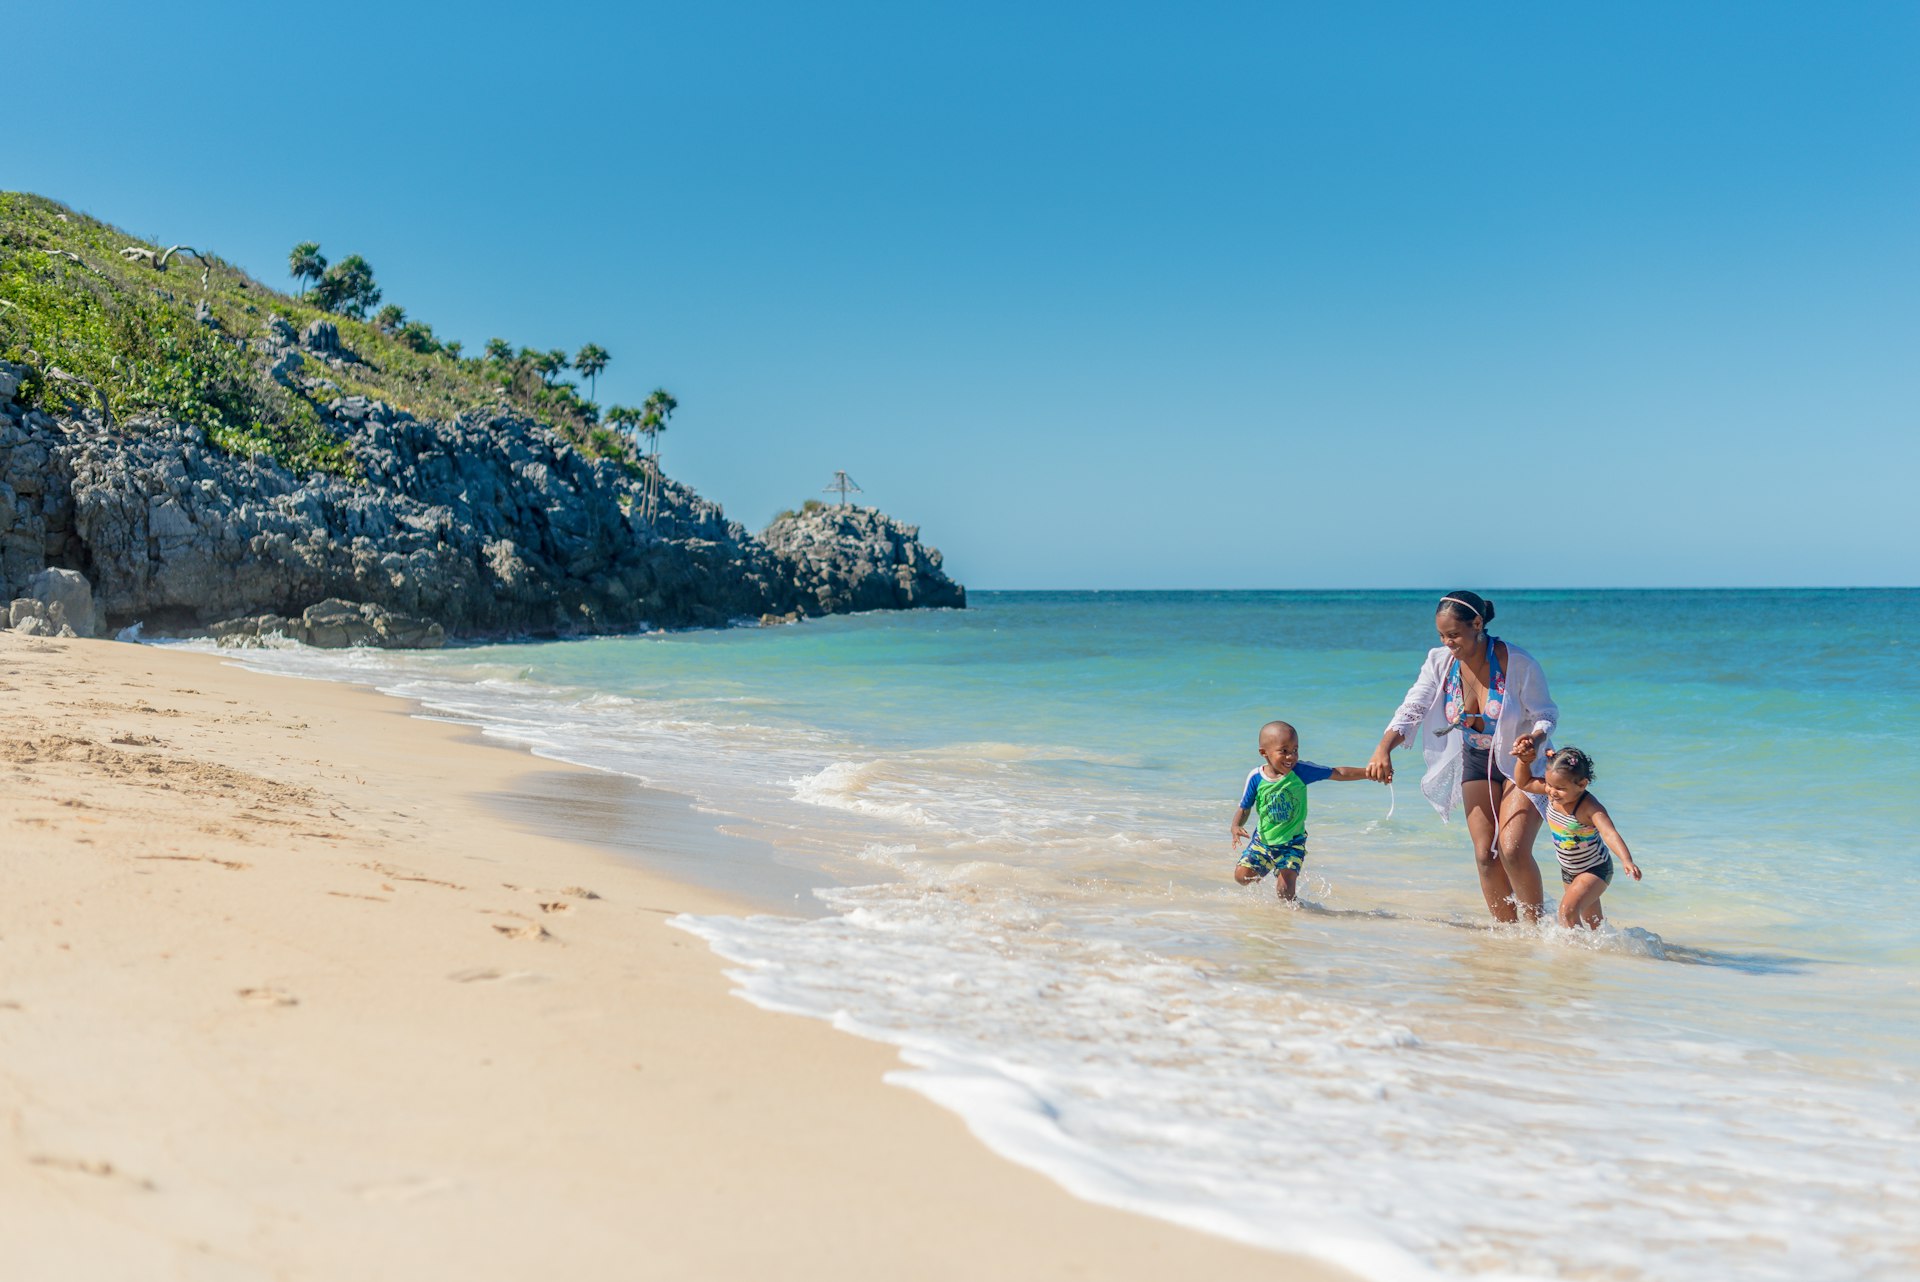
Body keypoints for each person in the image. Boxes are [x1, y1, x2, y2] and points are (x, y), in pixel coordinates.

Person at [1365, 591, 1560, 922]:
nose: (1448, 642)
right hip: (1474, 760)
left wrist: (1535, 738)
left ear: (1478, 624)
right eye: (1442, 635)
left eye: (1453, 634)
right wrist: (1383, 748)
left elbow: (1546, 714)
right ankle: (1507, 937)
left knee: (1512, 850)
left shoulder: (1519, 663)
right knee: (1486, 854)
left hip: (1521, 765)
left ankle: (1535, 929)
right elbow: (1413, 707)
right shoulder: (1440, 662)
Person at [1230, 720, 1377, 901]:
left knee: (1285, 890)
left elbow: (1338, 773)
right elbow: (1245, 807)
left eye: (1295, 750)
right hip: (1264, 841)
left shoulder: (1301, 772)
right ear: (1264, 753)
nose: (1291, 757)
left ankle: (1291, 917)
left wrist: (1370, 773)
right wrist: (1236, 826)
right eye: (1284, 751)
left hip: (1293, 842)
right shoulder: (1256, 777)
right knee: (1242, 877)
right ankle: (1267, 876)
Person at [1510, 743, 1641, 928]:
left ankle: (1573, 954)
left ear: (1582, 784)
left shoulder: (1589, 807)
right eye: (1548, 784)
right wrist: (1523, 762)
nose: (1552, 791)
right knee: (1594, 925)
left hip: (1595, 869)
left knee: (1567, 912)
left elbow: (1609, 833)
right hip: (1569, 871)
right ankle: (1602, 952)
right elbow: (1523, 783)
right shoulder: (1552, 793)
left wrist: (1627, 860)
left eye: (1560, 788)